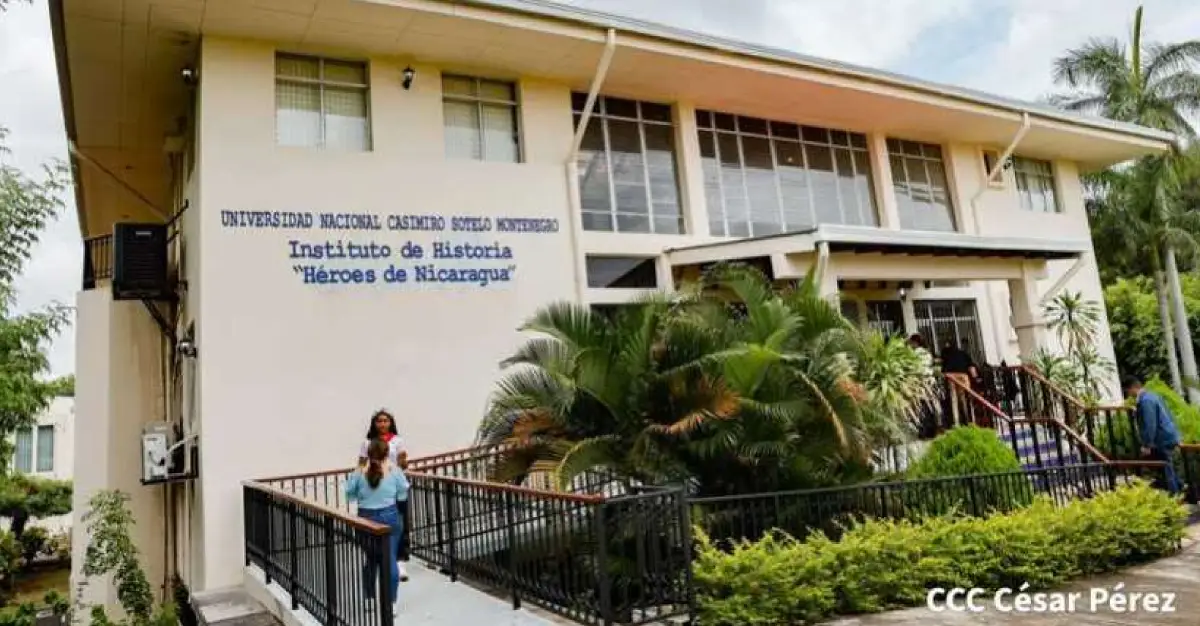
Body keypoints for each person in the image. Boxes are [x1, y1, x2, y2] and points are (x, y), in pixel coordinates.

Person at [345, 438, 409, 616]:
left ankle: (369, 599)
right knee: (390, 560)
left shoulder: (359, 472)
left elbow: (349, 495)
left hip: (366, 518)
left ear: (368, 453)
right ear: (387, 453)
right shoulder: (394, 470)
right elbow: (403, 492)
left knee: (371, 559)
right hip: (390, 516)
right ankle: (391, 603)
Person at [359, 410, 411, 582]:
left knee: (400, 524)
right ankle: (380, 559)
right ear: (374, 424)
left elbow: (404, 462)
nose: (382, 424)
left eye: (386, 421)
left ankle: (401, 560)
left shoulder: (397, 441)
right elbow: (361, 466)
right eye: (379, 421)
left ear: (391, 423)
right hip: (376, 489)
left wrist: (400, 463)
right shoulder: (367, 443)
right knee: (377, 526)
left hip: (394, 486)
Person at [1122, 375, 1183, 494]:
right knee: (1167, 468)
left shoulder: (1146, 401)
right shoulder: (1152, 396)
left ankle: (1175, 496)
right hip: (1168, 436)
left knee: (1166, 470)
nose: (1129, 394)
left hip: (1162, 439)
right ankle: (1180, 491)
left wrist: (1147, 444)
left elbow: (1150, 424)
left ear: (1133, 388)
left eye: (1127, 391)